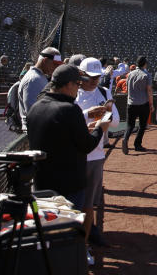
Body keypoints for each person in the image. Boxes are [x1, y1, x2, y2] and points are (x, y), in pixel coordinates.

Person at [26, 64, 110, 212]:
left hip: (41, 182)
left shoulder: (35, 107)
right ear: (68, 84)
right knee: (70, 227)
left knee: (45, 224)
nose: (79, 88)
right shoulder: (70, 109)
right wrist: (99, 129)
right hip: (69, 185)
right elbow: (87, 145)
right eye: (77, 84)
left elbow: (57, 135)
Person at [74, 57, 118, 253]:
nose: (94, 81)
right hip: (75, 155)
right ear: (81, 75)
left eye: (97, 77)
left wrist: (106, 114)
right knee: (73, 201)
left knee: (90, 203)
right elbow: (68, 121)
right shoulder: (72, 93)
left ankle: (85, 241)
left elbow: (115, 121)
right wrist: (89, 116)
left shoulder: (104, 91)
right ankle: (73, 243)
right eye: (90, 77)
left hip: (96, 154)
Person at [18, 47, 62, 131]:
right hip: (34, 133)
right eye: (55, 64)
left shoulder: (39, 77)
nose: (56, 68)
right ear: (45, 60)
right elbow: (33, 112)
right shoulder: (34, 80)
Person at [122, 56, 152, 154]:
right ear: (144, 64)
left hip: (131, 103)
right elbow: (149, 90)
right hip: (143, 104)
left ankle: (125, 139)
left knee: (130, 125)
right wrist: (151, 104)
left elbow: (127, 87)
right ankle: (137, 145)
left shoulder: (130, 74)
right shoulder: (147, 74)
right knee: (142, 125)